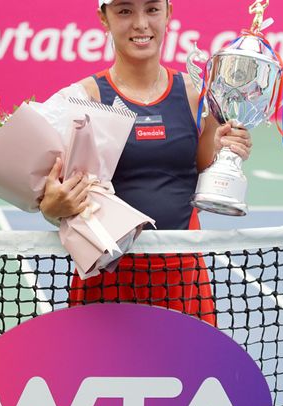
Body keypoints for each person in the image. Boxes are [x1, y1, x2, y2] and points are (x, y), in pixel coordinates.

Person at [39, 0, 253, 326]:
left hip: (182, 278)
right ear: (104, 17)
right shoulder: (81, 99)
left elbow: (204, 174)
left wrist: (227, 151)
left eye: (152, 9)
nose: (141, 23)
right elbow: (43, 186)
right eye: (125, 11)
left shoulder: (200, 97)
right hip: (105, 280)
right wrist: (49, 207)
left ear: (169, 13)